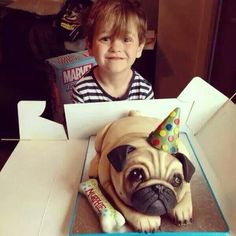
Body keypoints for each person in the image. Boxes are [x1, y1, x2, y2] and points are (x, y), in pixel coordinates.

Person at [72, 0, 154, 103]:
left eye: (126, 40)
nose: (116, 48)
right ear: (90, 46)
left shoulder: (144, 91)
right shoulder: (82, 91)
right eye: (105, 39)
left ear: (139, 48)